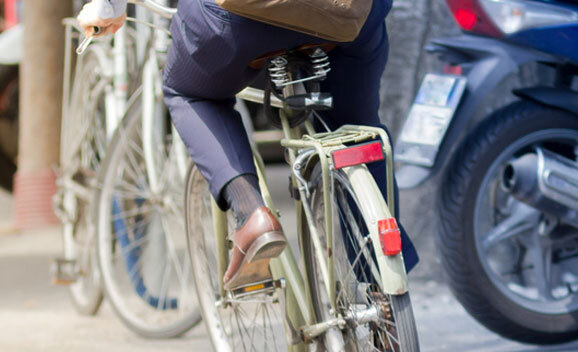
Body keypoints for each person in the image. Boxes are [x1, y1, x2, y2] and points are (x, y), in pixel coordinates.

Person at [77, 0, 419, 290]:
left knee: (188, 91)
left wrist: (108, 6)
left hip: (242, 19)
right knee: (357, 129)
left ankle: (250, 212)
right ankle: (383, 289)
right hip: (351, 17)